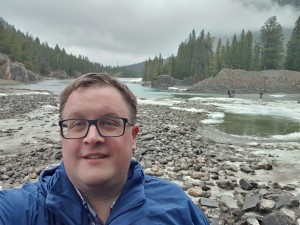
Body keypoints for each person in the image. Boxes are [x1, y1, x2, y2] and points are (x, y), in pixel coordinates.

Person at [0, 73, 210, 225]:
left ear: (133, 136)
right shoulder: (21, 210)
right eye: (77, 124)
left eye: (109, 123)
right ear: (62, 137)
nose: (92, 138)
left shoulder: (177, 208)